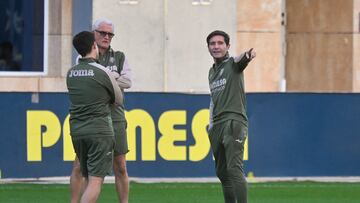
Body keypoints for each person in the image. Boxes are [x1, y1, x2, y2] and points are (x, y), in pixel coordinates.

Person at [70, 18, 132, 203]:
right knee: (80, 166)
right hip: (94, 116)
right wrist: (111, 77)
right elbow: (92, 81)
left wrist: (105, 77)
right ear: (93, 34)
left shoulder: (119, 56)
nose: (106, 37)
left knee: (120, 166)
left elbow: (128, 82)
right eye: (102, 33)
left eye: (110, 34)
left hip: (115, 115)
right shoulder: (82, 56)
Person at [206, 30, 256, 203]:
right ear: (208, 48)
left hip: (234, 121)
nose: (216, 46)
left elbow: (242, 59)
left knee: (234, 169)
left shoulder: (233, 64)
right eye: (212, 44)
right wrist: (210, 125)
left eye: (220, 43)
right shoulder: (212, 72)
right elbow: (213, 100)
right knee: (222, 173)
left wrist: (248, 55)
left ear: (228, 46)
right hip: (217, 125)